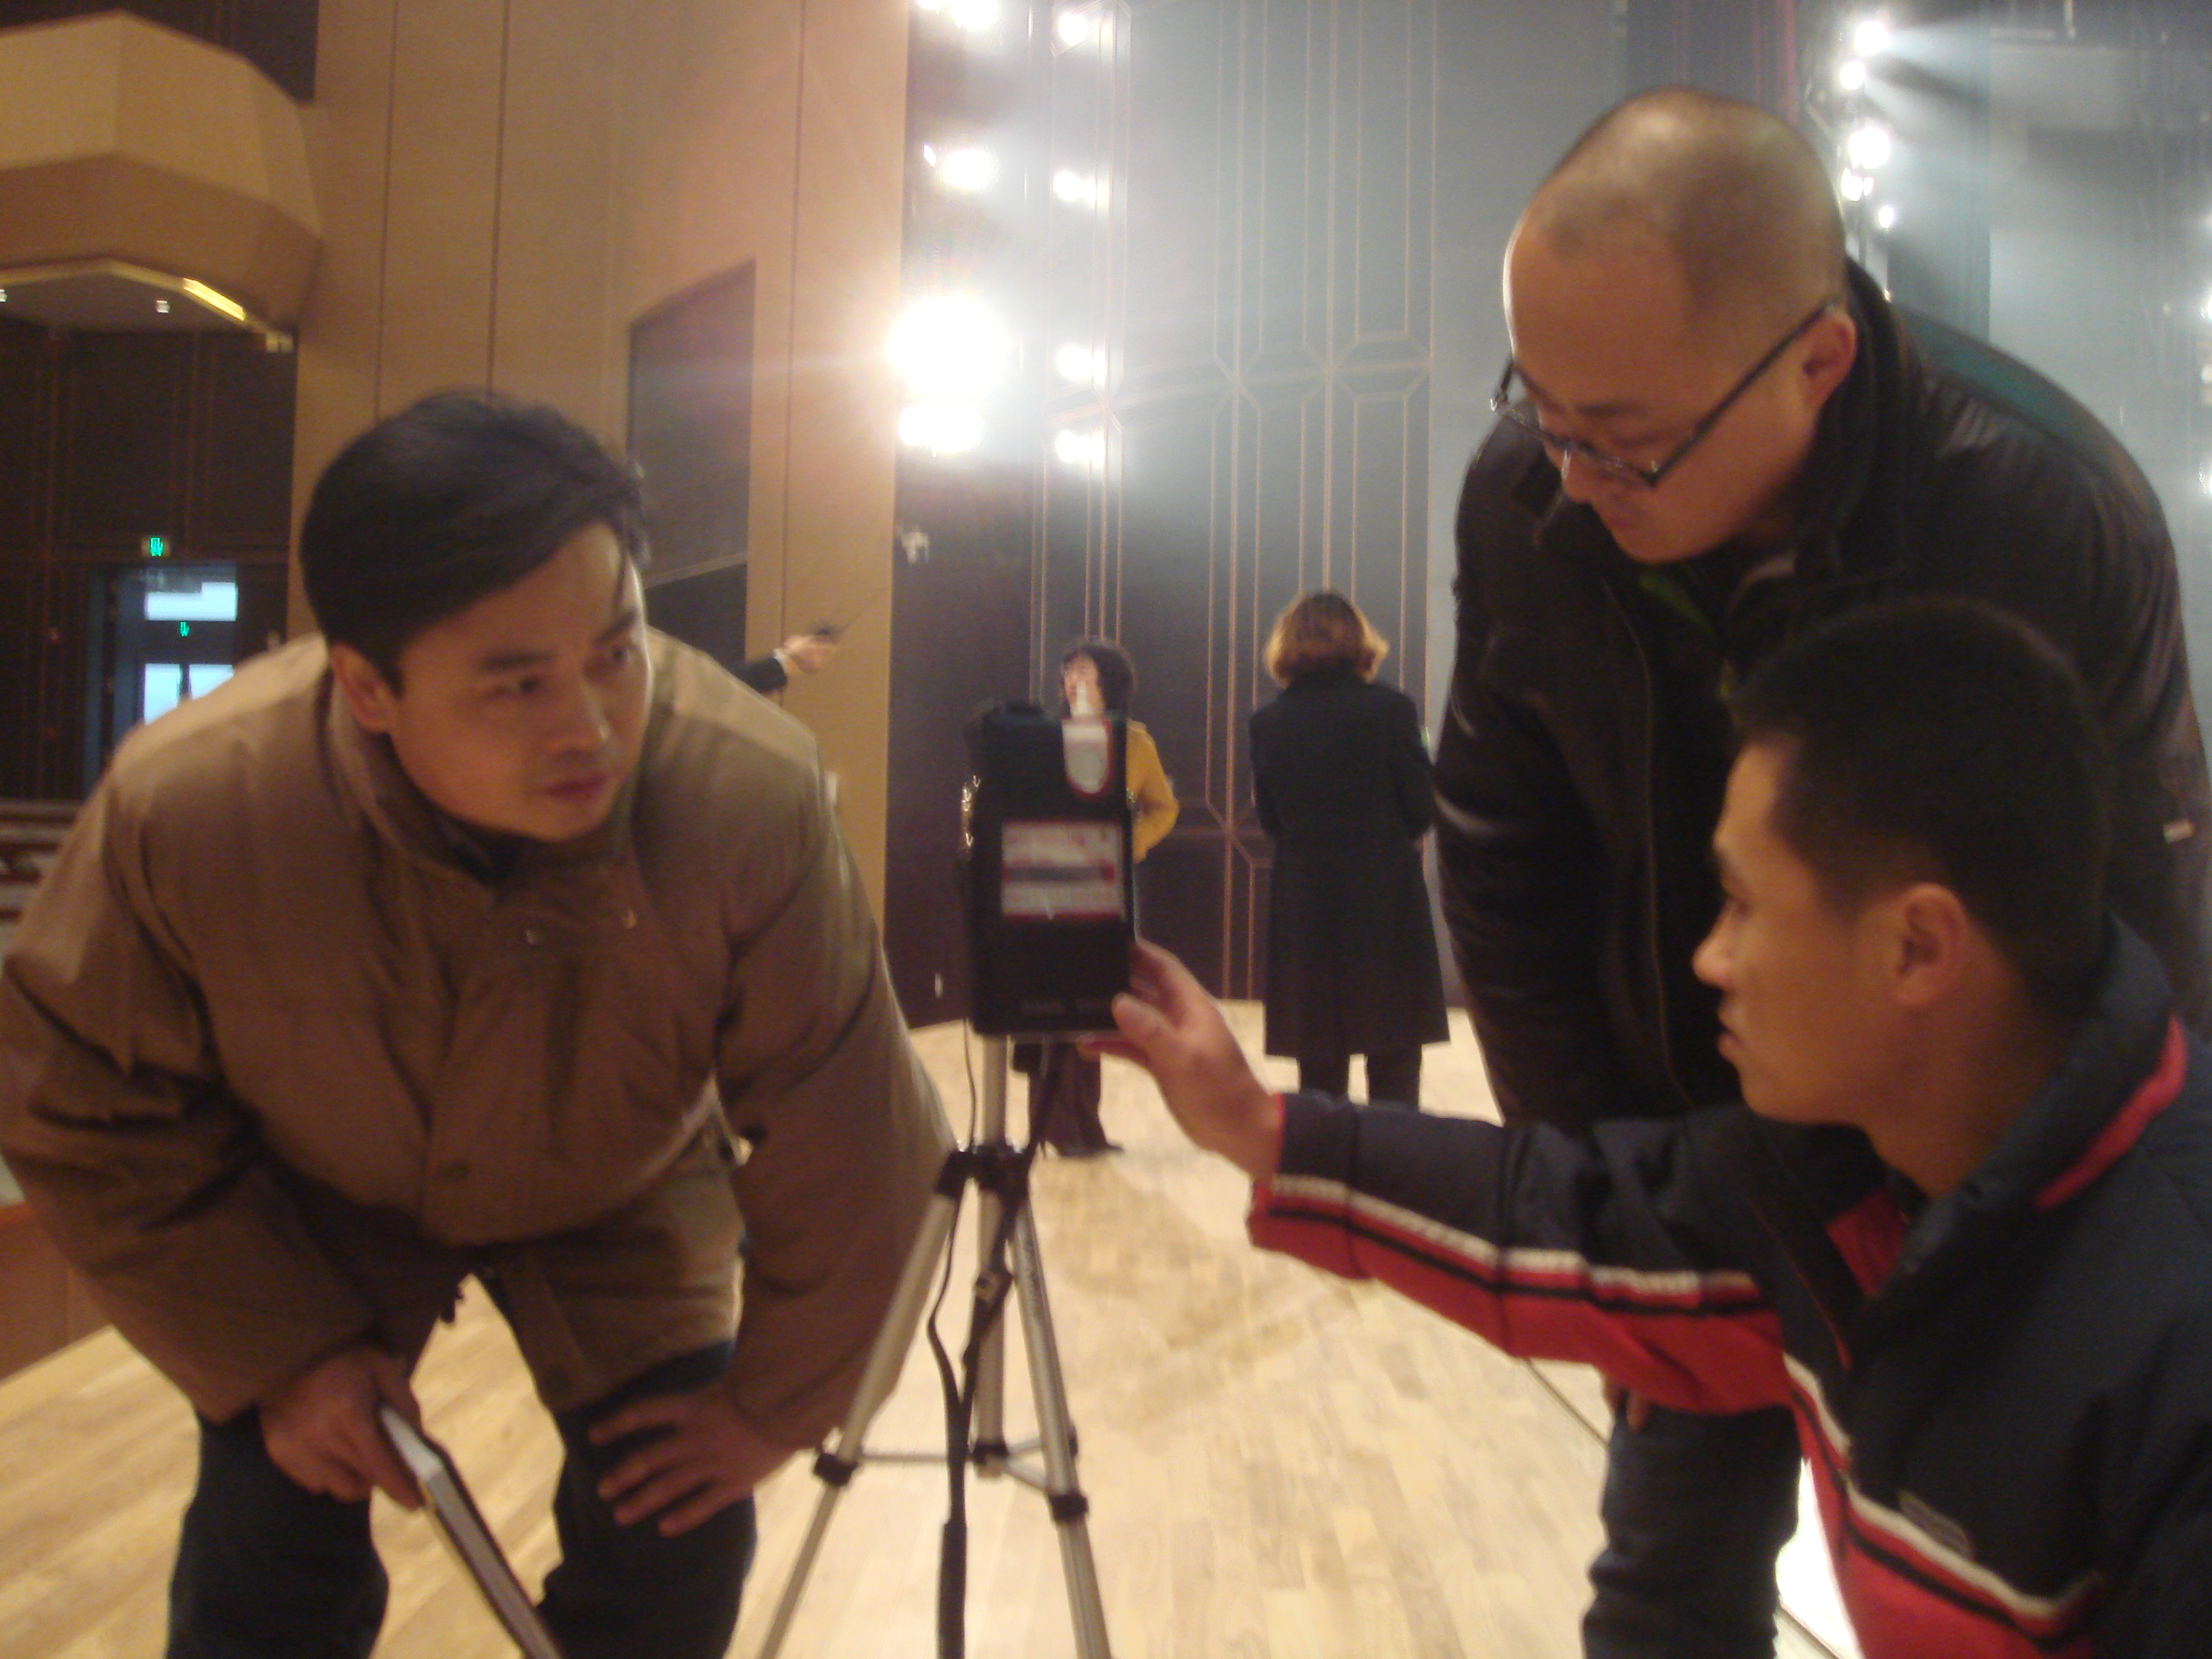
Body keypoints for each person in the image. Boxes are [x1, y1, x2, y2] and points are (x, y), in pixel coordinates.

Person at [1437, 87, 2212, 1658]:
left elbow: (2136, 921)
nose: (1566, 474)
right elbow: (1506, 865)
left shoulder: (2039, 511)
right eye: (1540, 407)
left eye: (1624, 439)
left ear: (1818, 361)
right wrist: (1612, 1197)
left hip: (1980, 1207)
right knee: (1664, 1591)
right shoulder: (1529, 500)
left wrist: (2040, 1246)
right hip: (1698, 1155)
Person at [0, 390, 948, 1659]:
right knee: (270, 1533)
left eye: (615, 651)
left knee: (676, 1533)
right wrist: (280, 1357)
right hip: (316, 1188)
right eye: (517, 684)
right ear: (366, 687)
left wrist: (770, 1411)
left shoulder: (748, 798)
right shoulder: (197, 805)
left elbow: (858, 1150)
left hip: (623, 1178)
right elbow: (73, 1096)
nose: (591, 725)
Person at [1103, 600, 2212, 1659]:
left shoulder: (2170, 1344)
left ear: (1917, 948)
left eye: (1743, 904)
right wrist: (1251, 1124)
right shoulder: (1830, 1176)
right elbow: (1557, 1209)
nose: (1710, 959)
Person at [1249, 591, 1445, 1106]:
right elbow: (1422, 807)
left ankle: (1325, 1154)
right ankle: (1391, 1153)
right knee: (1394, 1059)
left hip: (1307, 904)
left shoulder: (1268, 722)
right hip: (1385, 900)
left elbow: (1271, 820)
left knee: (1319, 1066)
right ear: (1360, 641)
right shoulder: (1393, 710)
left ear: (1288, 645)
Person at [1022, 637, 1178, 1155]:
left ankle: (1085, 1126)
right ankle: (1055, 1126)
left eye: (1084, 671)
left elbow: (1163, 808)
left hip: (1107, 886)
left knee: (1094, 1004)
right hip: (1048, 883)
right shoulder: (1042, 737)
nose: (1073, 681)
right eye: (1068, 672)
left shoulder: (1134, 741)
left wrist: (1132, 845)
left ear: (1109, 680)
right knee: (1051, 1005)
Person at [738, 629, 840, 695]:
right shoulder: (775, 675)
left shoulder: (778, 679)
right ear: (793, 639)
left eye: (825, 654)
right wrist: (790, 656)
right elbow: (736, 681)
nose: (817, 649)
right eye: (816, 642)